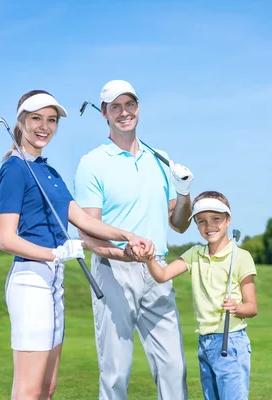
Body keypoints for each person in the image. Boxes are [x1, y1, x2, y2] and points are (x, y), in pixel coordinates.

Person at [0, 89, 153, 400]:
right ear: (21, 121)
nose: (45, 127)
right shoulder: (14, 168)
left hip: (54, 284)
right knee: (28, 391)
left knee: (47, 388)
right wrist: (54, 253)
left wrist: (127, 235)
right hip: (30, 282)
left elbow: (81, 218)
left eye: (51, 120)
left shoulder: (48, 171)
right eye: (37, 119)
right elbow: (6, 239)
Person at [73, 79, 194, 399]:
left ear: (138, 108)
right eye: (116, 107)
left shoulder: (160, 159)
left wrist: (184, 192)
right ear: (104, 114)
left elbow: (180, 224)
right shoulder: (92, 163)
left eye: (130, 105)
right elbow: (86, 233)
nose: (124, 112)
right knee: (116, 372)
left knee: (173, 367)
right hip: (114, 272)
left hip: (157, 269)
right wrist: (124, 254)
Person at [140, 191, 258, 400]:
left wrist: (237, 307)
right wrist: (149, 259)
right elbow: (162, 275)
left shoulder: (241, 257)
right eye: (201, 221)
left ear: (228, 220)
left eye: (216, 219)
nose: (209, 226)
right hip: (205, 342)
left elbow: (252, 307)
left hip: (230, 341)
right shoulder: (195, 254)